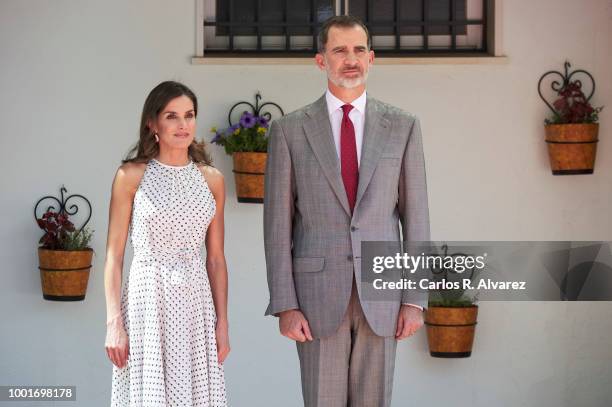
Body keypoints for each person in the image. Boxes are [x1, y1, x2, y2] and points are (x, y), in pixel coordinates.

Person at [263, 15, 430, 407]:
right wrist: (286, 304)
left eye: (358, 50)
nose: (350, 59)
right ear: (321, 61)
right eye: (339, 50)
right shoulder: (289, 130)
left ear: (371, 59)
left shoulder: (403, 126)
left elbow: (417, 217)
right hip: (315, 298)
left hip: (384, 296)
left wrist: (414, 299)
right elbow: (276, 227)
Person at [104, 81, 229, 406]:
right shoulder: (131, 176)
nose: (182, 124)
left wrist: (223, 323)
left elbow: (215, 259)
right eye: (171, 116)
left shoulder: (212, 180)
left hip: (196, 304)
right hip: (148, 301)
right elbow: (114, 256)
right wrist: (114, 324)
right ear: (153, 123)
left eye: (189, 115)